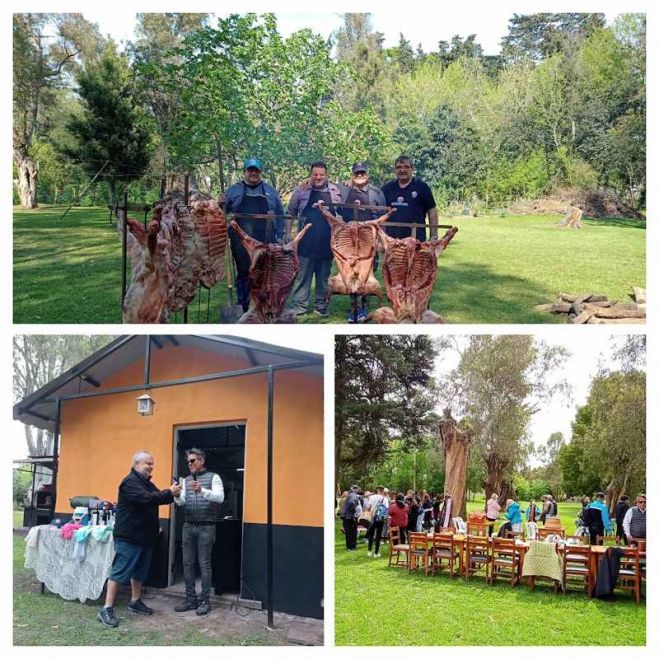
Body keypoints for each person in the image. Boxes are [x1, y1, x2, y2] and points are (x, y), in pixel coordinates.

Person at [98, 451, 181, 628]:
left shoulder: (146, 483)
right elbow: (146, 499)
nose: (151, 467)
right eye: (147, 464)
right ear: (136, 464)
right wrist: (170, 492)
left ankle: (135, 601)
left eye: (152, 464)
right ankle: (106, 608)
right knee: (119, 572)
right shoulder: (129, 482)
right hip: (129, 536)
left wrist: (173, 493)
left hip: (144, 537)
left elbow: (159, 498)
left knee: (139, 572)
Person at [223, 158, 285, 312]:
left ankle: (263, 303)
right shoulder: (233, 190)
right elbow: (222, 214)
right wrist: (220, 203)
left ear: (260, 172)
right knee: (244, 272)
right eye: (250, 170)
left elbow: (280, 214)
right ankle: (243, 304)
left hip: (265, 238)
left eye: (256, 170)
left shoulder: (270, 191)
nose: (253, 173)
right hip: (241, 240)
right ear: (244, 172)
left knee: (264, 272)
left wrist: (280, 235)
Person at [173, 448, 225, 615]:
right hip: (188, 525)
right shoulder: (186, 479)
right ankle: (190, 599)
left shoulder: (214, 477)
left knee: (204, 564)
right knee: (187, 563)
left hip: (206, 526)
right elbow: (181, 503)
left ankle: (204, 601)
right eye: (188, 461)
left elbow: (220, 497)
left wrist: (201, 490)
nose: (189, 464)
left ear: (202, 460)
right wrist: (176, 494)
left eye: (193, 460)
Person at [287, 161, 342, 317]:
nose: (318, 177)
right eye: (315, 174)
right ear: (310, 174)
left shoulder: (335, 191)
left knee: (323, 277)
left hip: (327, 243)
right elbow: (290, 212)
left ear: (326, 175)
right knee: (303, 277)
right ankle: (299, 306)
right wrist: (287, 233)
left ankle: (321, 305)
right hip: (305, 242)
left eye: (321, 175)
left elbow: (340, 214)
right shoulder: (301, 190)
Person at [338, 161, 387, 322]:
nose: (360, 175)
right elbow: (323, 186)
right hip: (349, 242)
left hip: (369, 240)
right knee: (350, 274)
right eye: (357, 173)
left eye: (362, 173)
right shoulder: (343, 190)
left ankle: (364, 308)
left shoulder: (377, 193)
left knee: (367, 274)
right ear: (352, 174)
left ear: (367, 174)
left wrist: (382, 240)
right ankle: (353, 308)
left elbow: (383, 218)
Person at [381, 155, 439, 242]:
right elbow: (379, 213)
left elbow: (432, 211)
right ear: (395, 170)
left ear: (412, 169)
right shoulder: (387, 189)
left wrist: (433, 236)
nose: (402, 170)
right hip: (392, 242)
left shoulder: (422, 187)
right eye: (399, 167)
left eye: (406, 167)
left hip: (416, 241)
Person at [365, 486, 389, 557]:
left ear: (377, 490)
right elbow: (386, 510)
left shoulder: (372, 497)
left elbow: (368, 508)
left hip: (373, 517)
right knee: (378, 535)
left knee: (371, 535)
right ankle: (376, 553)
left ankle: (369, 551)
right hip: (380, 518)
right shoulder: (385, 499)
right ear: (383, 491)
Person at [339, 485, 361, 550]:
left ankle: (349, 547)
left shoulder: (349, 494)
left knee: (348, 532)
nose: (358, 491)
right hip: (350, 517)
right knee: (353, 532)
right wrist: (353, 512)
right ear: (356, 489)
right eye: (358, 490)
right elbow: (351, 503)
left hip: (345, 516)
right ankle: (352, 547)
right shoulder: (353, 495)